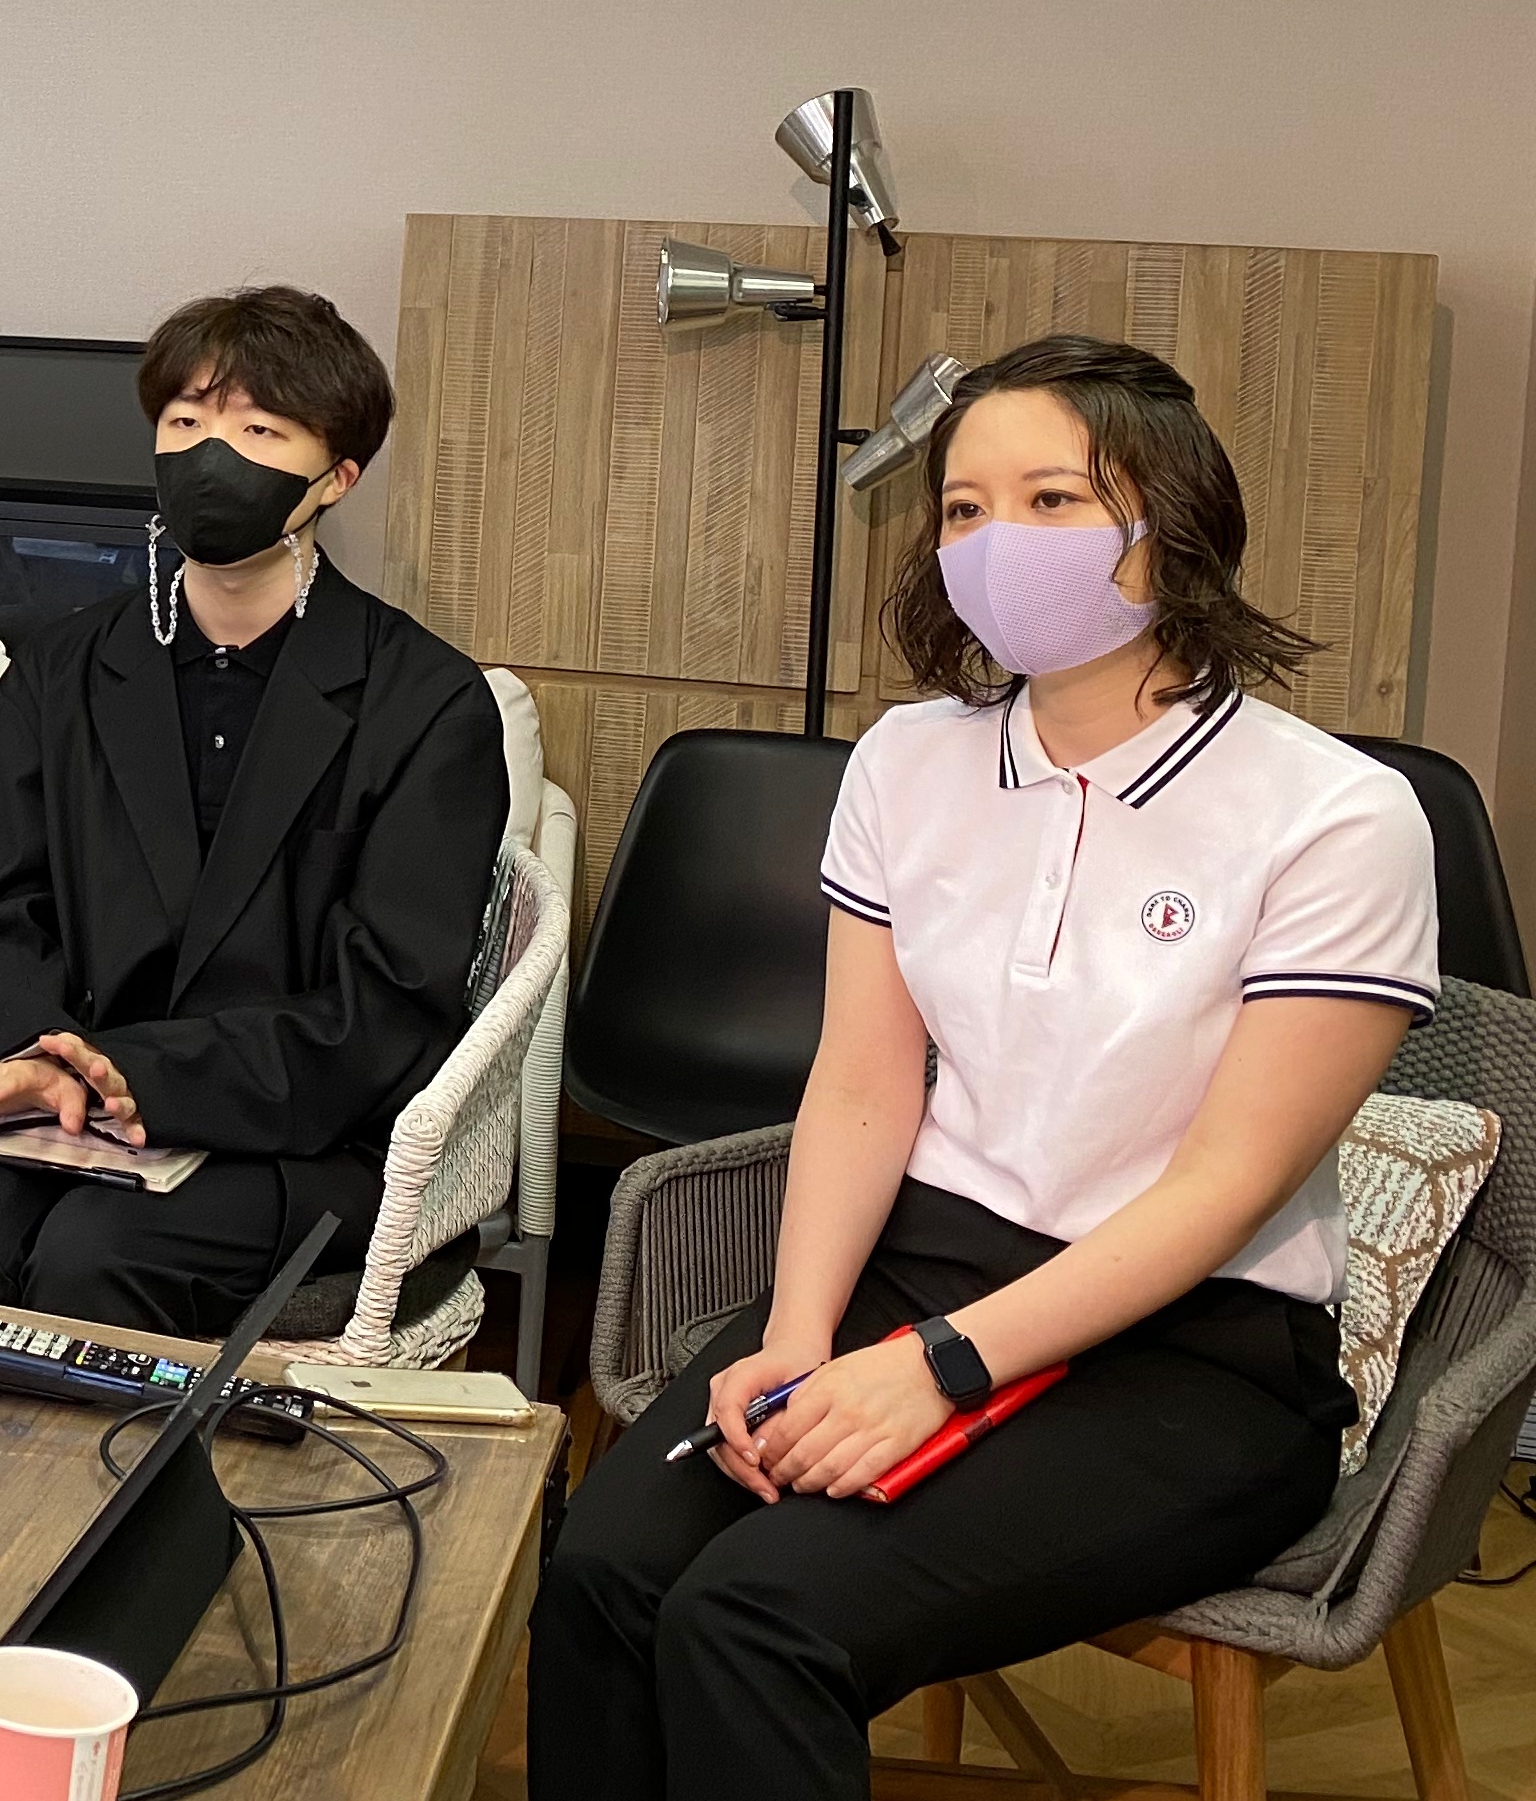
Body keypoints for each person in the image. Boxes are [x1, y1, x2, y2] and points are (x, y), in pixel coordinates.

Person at [533, 336, 1437, 1801]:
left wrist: (941, 1371)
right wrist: (798, 1334)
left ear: (1175, 526)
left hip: (1194, 1350)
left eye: (1053, 500)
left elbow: (1223, 1187)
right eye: (964, 509)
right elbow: (862, 1081)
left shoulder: (1339, 815)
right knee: (605, 1571)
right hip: (915, 1271)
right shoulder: (908, 762)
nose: (998, 540)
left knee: (758, 1619)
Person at [0, 283, 511, 1338]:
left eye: (259, 431)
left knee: (96, 1255)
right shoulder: (59, 670)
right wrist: (35, 1059)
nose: (210, 456)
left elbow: (390, 1001)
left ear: (337, 476)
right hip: (52, 1098)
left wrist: (145, 1079)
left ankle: (137, 1459)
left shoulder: (426, 705)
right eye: (185, 423)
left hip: (292, 1129)